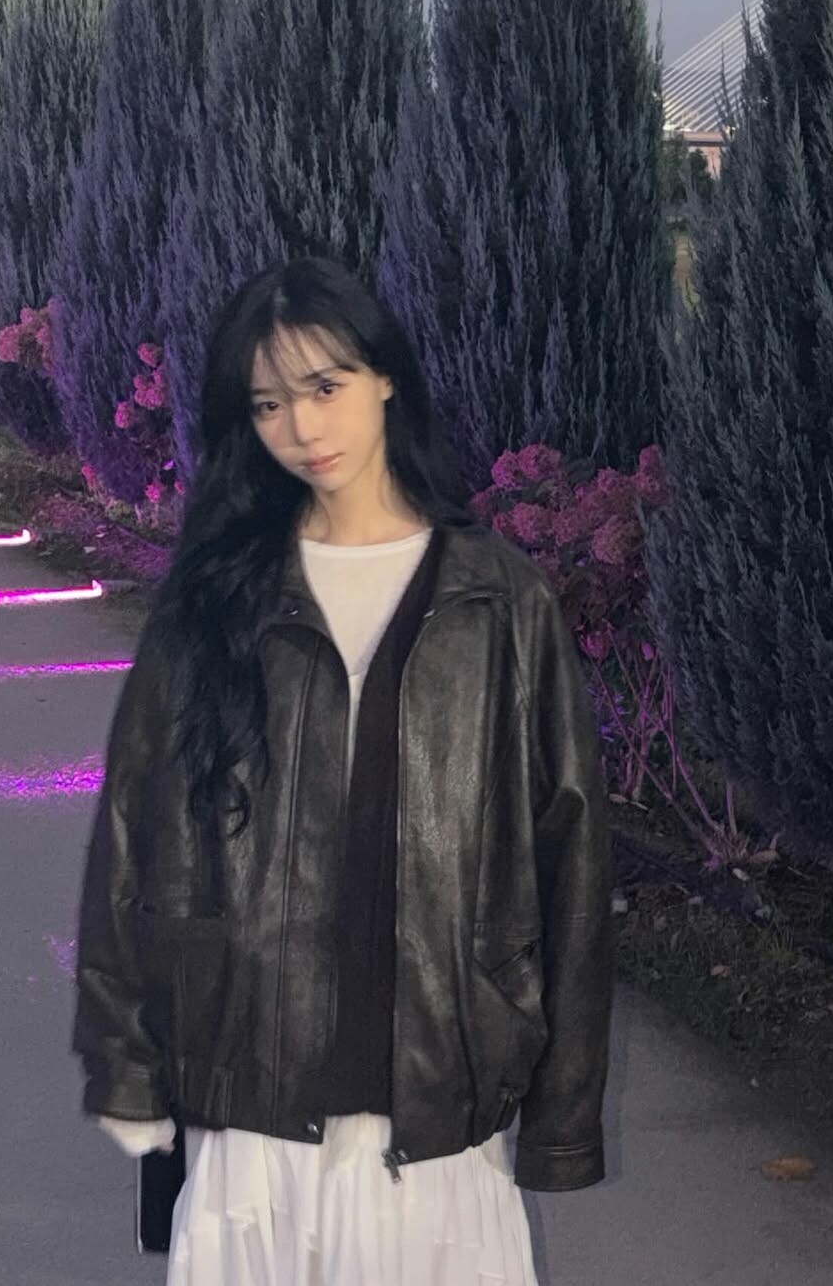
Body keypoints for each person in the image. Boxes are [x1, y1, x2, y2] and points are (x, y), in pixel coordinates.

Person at [70, 257, 614, 1285]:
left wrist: (564, 1114)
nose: (303, 427)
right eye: (268, 403)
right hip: (254, 1107)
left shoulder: (501, 601)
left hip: (440, 1112)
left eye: (326, 385)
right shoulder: (215, 600)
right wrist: (126, 1059)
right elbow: (136, 832)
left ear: (385, 376)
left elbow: (571, 854)